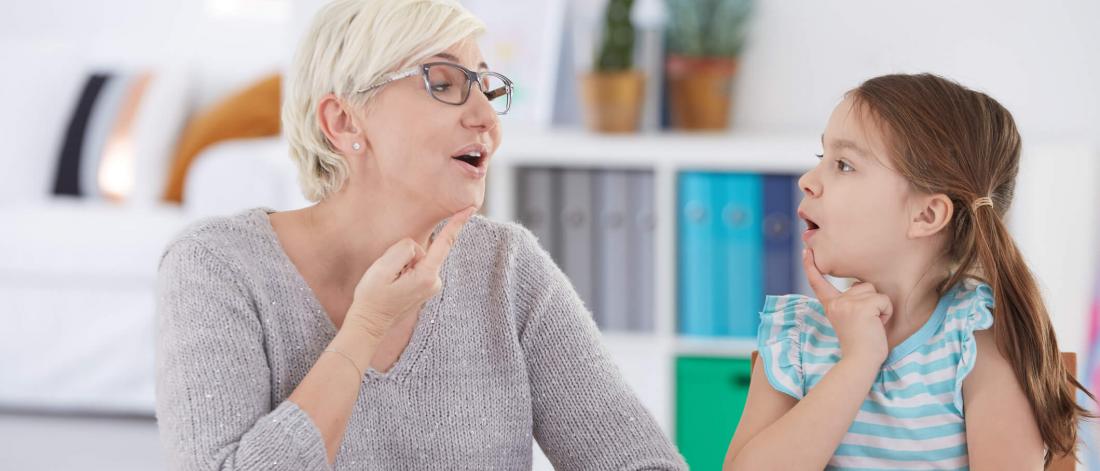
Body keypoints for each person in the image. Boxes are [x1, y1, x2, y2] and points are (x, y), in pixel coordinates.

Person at [154, 0, 685, 469]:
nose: (486, 119)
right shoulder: (217, 268)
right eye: (444, 84)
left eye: (486, 86)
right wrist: (365, 328)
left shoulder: (507, 267)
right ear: (344, 122)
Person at [724, 73, 1095, 469]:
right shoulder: (795, 338)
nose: (808, 181)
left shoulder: (978, 342)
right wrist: (858, 361)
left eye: (844, 165)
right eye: (822, 159)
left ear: (926, 214)